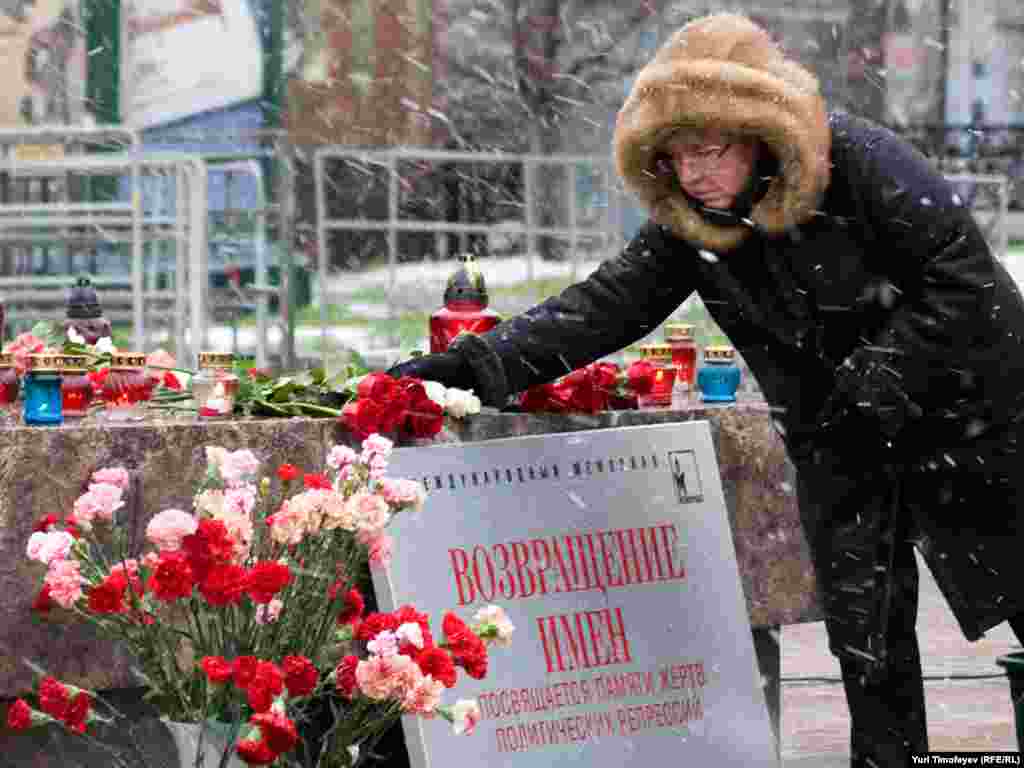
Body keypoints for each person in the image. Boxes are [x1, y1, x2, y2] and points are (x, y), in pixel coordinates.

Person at [389, 13, 1024, 766]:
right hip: (837, 443)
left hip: (972, 423)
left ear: (761, 136)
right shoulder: (692, 222)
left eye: (711, 150)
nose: (693, 172)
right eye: (677, 154)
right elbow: (607, 305)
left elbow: (968, 284)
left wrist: (873, 378)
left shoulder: (857, 160)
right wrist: (474, 365)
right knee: (867, 644)